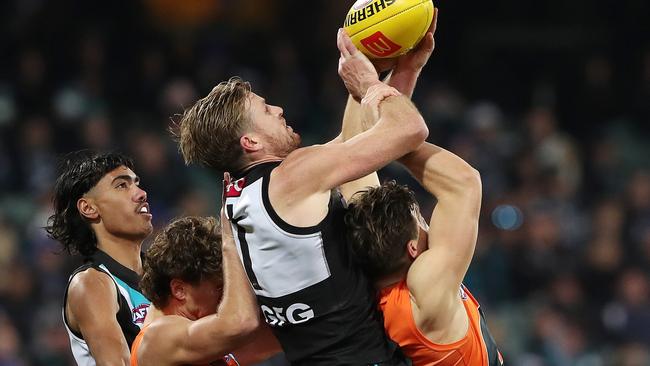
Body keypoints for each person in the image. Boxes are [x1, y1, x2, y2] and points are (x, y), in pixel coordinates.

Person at [175, 25, 432, 364]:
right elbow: (409, 129)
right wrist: (369, 84)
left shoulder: (235, 202)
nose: (279, 110)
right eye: (266, 111)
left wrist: (401, 69)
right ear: (250, 143)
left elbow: (363, 139)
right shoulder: (294, 176)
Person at [344, 141, 505, 366]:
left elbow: (354, 158)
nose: (427, 225)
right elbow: (464, 183)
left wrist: (365, 115)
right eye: (420, 221)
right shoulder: (425, 289)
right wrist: (395, 141)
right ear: (412, 249)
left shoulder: (370, 267)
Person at [131, 201, 280, 366]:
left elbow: (288, 329)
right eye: (218, 287)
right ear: (179, 290)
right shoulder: (156, 338)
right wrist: (230, 241)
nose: (226, 296)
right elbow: (241, 322)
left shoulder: (204, 340)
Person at [46, 150, 153, 365]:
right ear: (89, 208)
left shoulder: (164, 273)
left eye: (136, 183)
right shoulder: (91, 284)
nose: (141, 194)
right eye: (122, 185)